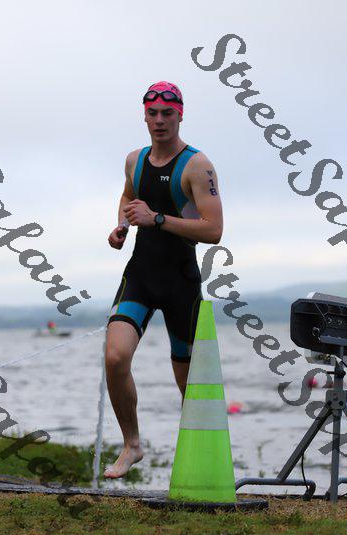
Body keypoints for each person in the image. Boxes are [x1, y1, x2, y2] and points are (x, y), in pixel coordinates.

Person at [104, 81, 223, 478]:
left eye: (167, 114)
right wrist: (122, 226)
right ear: (144, 116)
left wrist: (156, 219)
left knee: (189, 387)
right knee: (115, 357)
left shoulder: (197, 165)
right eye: (152, 113)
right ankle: (132, 445)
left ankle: (200, 462)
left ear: (180, 115)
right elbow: (128, 196)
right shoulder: (134, 160)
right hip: (140, 274)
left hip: (180, 282)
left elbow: (213, 229)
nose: (159, 121)